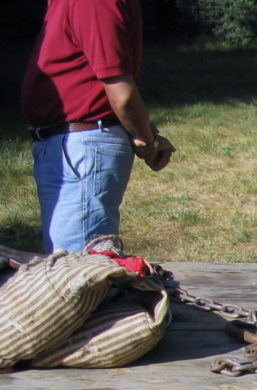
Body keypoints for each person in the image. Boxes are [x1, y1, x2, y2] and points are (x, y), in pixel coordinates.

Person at [21, 0, 176, 254]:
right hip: (73, 145)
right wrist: (145, 136)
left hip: (83, 146)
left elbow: (122, 94)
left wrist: (147, 142)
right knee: (69, 264)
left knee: (78, 268)